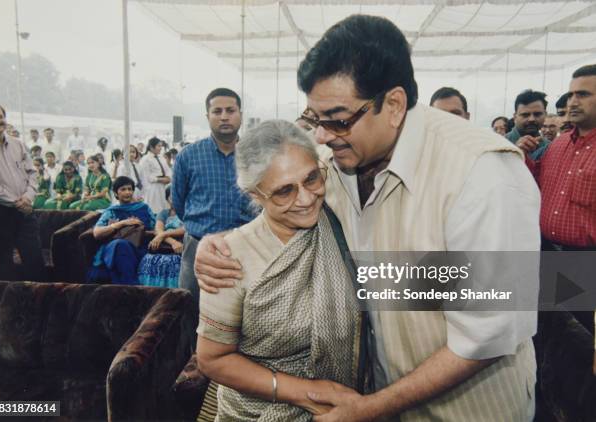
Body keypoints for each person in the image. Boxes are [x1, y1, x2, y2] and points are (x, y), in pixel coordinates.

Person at [195, 15, 540, 421]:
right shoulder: (335, 160)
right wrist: (216, 244)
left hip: (466, 409)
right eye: (315, 118)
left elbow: (488, 331)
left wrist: (369, 408)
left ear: (393, 105)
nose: (321, 135)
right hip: (378, 390)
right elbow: (281, 192)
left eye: (338, 119)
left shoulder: (481, 175)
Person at [196, 119, 364, 421]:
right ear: (255, 194)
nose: (306, 198)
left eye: (312, 178)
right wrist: (306, 393)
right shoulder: (227, 259)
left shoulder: (338, 224)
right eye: (284, 191)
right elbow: (213, 359)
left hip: (343, 407)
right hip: (257, 412)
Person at [517, 64, 596, 333]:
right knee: (549, 333)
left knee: (584, 334)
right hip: (546, 252)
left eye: (583, 94)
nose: (573, 102)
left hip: (585, 261)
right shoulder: (558, 145)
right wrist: (523, 159)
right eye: (571, 94)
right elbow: (535, 186)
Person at [171, 87, 256, 301]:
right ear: (207, 116)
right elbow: (179, 203)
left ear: (240, 115)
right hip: (198, 247)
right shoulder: (188, 156)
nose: (224, 116)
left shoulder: (257, 155)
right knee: (191, 310)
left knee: (247, 312)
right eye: (217, 111)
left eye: (230, 110)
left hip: (247, 247)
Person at [0, 102, 45, 281]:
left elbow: (32, 173)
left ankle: (38, 306)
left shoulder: (18, 144)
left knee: (35, 262)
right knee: (1, 266)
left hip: (25, 214)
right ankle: (7, 308)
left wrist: (28, 197)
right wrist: (18, 202)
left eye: (0, 116)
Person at [88, 176, 155, 284]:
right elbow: (97, 233)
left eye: (130, 189)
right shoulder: (112, 211)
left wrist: (139, 228)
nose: (127, 192)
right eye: (123, 189)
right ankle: (130, 286)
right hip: (115, 247)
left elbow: (155, 229)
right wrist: (122, 223)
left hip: (139, 246)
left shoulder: (144, 208)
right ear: (115, 193)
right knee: (120, 245)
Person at [137, 186, 185, 288]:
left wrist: (164, 234)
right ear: (167, 199)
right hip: (164, 246)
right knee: (149, 259)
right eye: (172, 197)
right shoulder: (164, 213)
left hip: (181, 249)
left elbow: (187, 229)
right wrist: (172, 242)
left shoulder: (189, 212)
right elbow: (158, 230)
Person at [506, 90, 549, 160]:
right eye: (525, 115)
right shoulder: (500, 145)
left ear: (545, 115)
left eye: (537, 114)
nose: (531, 119)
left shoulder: (550, 147)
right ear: (515, 117)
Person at [140, 136, 172, 214]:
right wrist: (160, 179)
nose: (160, 148)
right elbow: (147, 176)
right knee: (153, 208)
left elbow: (168, 171)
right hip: (152, 188)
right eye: (158, 146)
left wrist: (168, 178)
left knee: (162, 208)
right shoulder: (145, 159)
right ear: (151, 147)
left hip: (162, 187)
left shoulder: (161, 158)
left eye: (161, 146)